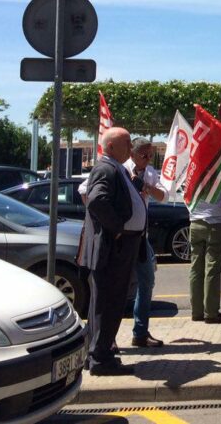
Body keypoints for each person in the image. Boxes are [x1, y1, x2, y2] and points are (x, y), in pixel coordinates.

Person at [80, 127, 146, 376]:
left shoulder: (115, 167)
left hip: (120, 247)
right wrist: (117, 228)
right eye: (126, 143)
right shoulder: (106, 168)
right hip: (114, 248)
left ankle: (98, 353)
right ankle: (101, 359)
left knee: (108, 303)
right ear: (110, 147)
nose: (131, 148)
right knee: (108, 304)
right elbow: (97, 200)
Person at [125, 138, 165, 348]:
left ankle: (140, 332)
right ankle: (108, 338)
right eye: (144, 155)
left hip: (141, 237)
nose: (148, 159)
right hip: (122, 238)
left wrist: (146, 187)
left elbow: (163, 196)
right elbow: (84, 191)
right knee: (118, 285)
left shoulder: (149, 172)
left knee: (147, 281)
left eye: (151, 155)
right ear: (132, 154)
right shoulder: (121, 169)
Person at [189, 167, 221, 324]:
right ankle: (211, 312)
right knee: (213, 269)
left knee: (196, 268)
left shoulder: (193, 172)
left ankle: (196, 311)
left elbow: (186, 197)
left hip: (195, 222)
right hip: (215, 223)